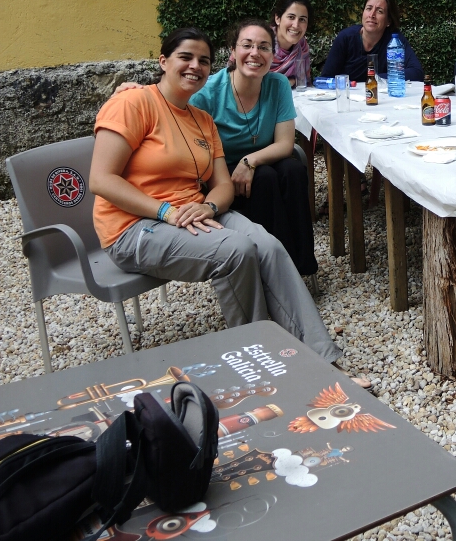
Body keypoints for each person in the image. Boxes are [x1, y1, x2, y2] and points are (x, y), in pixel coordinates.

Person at [90, 28, 341, 367]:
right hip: (135, 225)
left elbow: (222, 185)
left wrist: (208, 205)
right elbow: (101, 180)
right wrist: (165, 211)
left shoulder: (202, 119)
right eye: (185, 57)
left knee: (268, 246)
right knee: (235, 251)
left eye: (203, 61)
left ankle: (323, 360)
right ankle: (265, 360)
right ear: (163, 61)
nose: (195, 66)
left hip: (195, 211)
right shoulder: (132, 102)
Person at [189, 19, 318, 277]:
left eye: (264, 47)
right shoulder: (209, 93)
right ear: (233, 52)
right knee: (266, 180)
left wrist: (249, 161)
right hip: (222, 173)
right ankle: (275, 272)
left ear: (272, 54)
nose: (255, 53)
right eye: (246, 45)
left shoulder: (278, 84)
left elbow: (284, 143)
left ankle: (302, 267)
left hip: (260, 160)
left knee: (293, 170)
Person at [320, 0, 424, 82]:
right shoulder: (345, 38)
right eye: (369, 8)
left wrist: (376, 79)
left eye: (379, 11)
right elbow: (325, 78)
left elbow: (417, 72)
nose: (372, 15)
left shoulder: (394, 40)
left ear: (388, 21)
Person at [270, 0, 313, 87]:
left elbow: (303, 83)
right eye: (291, 17)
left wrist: (293, 81)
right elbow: (249, 80)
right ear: (278, 18)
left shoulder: (302, 46)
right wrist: (288, 82)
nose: (296, 25)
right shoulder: (261, 42)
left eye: (302, 19)